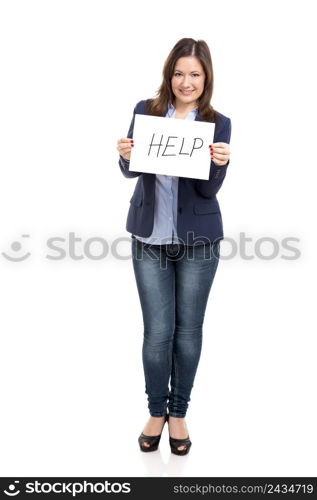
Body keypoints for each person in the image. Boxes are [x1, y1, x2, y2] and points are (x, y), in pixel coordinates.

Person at [116, 38, 231, 455]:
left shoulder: (218, 122)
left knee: (187, 332)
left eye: (195, 74)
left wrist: (220, 164)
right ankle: (155, 410)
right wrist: (125, 154)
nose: (186, 81)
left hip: (199, 241)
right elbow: (131, 170)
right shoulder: (145, 110)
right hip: (149, 238)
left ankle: (178, 413)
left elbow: (207, 190)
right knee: (157, 333)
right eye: (179, 73)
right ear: (170, 75)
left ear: (206, 78)